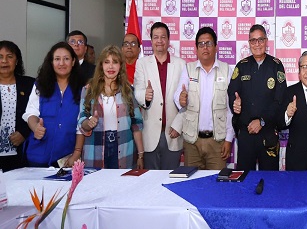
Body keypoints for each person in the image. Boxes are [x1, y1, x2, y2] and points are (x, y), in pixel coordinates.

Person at [172, 27, 234, 170]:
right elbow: (178, 94)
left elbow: (230, 108)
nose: (205, 47)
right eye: (201, 44)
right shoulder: (188, 69)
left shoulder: (226, 70)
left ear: (216, 47)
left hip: (217, 142)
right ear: (196, 48)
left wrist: (229, 139)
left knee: (216, 182)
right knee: (192, 182)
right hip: (192, 143)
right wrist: (180, 99)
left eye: (209, 43)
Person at [227, 24, 286, 171]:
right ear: (249, 43)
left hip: (268, 133)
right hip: (246, 133)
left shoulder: (276, 65)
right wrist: (235, 104)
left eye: (260, 40)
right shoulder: (242, 66)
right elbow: (232, 92)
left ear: (266, 41)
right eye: (253, 40)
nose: (257, 44)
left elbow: (280, 100)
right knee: (244, 177)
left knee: (270, 179)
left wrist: (262, 121)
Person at [78, 45, 144, 169]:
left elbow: (137, 124)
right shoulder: (88, 90)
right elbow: (81, 120)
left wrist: (141, 155)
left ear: (121, 66)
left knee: (121, 180)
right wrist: (89, 123)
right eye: (107, 62)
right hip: (95, 148)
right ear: (101, 65)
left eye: (115, 62)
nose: (111, 66)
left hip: (124, 149)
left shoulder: (128, 91)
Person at [133, 22, 186, 170]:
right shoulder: (142, 63)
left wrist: (179, 125)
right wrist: (145, 96)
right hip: (149, 133)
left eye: (163, 37)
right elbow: (137, 90)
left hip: (173, 132)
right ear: (151, 41)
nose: (159, 41)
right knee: (150, 179)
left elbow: (187, 100)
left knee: (171, 178)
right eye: (156, 37)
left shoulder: (181, 64)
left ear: (168, 40)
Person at [23, 42, 84, 167]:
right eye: (57, 59)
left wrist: (77, 153)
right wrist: (35, 127)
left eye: (66, 59)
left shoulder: (82, 89)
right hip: (38, 154)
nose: (61, 63)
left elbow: (81, 124)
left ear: (73, 62)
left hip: (66, 156)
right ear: (51, 62)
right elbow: (31, 112)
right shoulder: (40, 85)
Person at [0, 41, 35, 171]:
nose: (4, 61)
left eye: (9, 56)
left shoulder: (30, 84)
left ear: (17, 61)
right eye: (0, 57)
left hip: (22, 151)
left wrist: (24, 133)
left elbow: (37, 112)